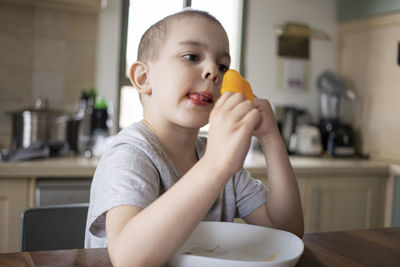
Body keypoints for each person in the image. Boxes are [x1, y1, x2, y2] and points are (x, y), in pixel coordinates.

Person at [85, 9, 304, 267]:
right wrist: (214, 166)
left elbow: (286, 232)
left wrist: (270, 138)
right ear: (143, 78)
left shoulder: (220, 161)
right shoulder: (130, 154)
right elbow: (128, 259)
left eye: (222, 65)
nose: (214, 71)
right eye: (191, 57)